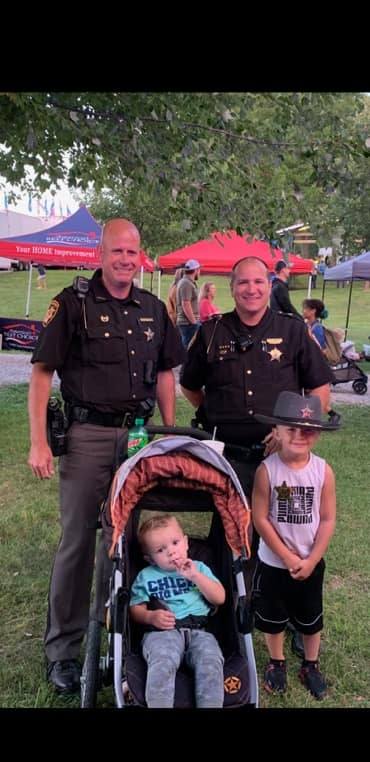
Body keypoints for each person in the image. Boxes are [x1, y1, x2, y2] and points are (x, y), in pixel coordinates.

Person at [27, 218, 185, 695]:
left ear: (141, 257)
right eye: (116, 251)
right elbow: (41, 373)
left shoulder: (154, 308)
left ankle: (121, 634)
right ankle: (63, 651)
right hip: (88, 436)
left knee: (123, 542)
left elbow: (164, 374)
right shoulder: (72, 303)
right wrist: (38, 441)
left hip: (137, 438)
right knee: (78, 543)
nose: (124, 260)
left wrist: (165, 432)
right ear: (100, 254)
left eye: (132, 253)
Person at [180, 256, 334, 659]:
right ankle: (230, 618)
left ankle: (299, 619)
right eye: (243, 282)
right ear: (232, 288)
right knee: (232, 541)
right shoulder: (212, 331)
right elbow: (191, 386)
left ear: (269, 286)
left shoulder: (292, 330)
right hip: (229, 459)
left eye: (259, 282)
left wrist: (292, 434)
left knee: (291, 537)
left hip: (281, 461)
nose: (252, 289)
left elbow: (319, 388)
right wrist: (217, 412)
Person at [252, 391, 338, 700]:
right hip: (275, 564)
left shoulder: (323, 471)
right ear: (275, 431)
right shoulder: (268, 471)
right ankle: (277, 662)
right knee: (272, 618)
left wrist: (313, 559)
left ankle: (310, 665)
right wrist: (287, 557)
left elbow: (327, 519)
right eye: (290, 428)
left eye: (307, 430)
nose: (299, 436)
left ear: (317, 434)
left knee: (311, 617)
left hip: (311, 563)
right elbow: (261, 519)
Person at [129, 514, 225, 708]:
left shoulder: (199, 568)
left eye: (175, 543)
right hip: (162, 633)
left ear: (186, 542)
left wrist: (196, 577)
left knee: (211, 661)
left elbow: (219, 598)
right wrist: (150, 616)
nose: (171, 552)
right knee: (162, 661)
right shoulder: (146, 576)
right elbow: (134, 608)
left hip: (200, 631)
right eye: (161, 550)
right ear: (150, 559)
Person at [175, 259, 201, 347]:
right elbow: (186, 304)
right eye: (199, 270)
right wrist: (194, 322)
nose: (199, 272)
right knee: (188, 348)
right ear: (196, 270)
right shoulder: (186, 283)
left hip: (188, 322)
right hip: (188, 323)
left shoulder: (187, 282)